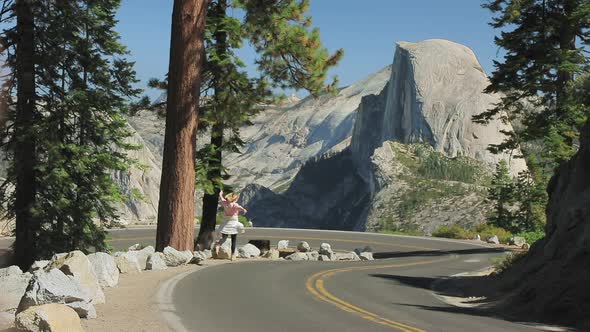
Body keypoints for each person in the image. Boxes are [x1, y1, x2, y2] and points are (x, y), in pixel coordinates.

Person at [217, 190, 247, 261]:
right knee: (234, 240)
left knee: (224, 238)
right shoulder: (235, 205)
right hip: (233, 222)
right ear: (235, 199)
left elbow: (221, 197)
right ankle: (233, 255)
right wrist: (243, 210)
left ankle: (218, 245)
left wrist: (221, 194)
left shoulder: (224, 203)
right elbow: (240, 208)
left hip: (226, 222)